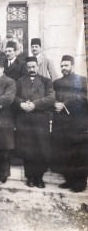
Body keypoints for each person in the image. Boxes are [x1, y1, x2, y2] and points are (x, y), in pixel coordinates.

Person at [14, 56, 55, 188]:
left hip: (40, 120)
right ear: (26, 68)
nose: (31, 69)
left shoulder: (46, 81)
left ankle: (39, 177)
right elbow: (13, 97)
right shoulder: (19, 81)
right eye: (29, 67)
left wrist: (34, 105)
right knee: (28, 149)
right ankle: (30, 177)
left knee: (41, 149)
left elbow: (51, 98)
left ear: (37, 66)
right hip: (24, 120)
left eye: (34, 67)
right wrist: (21, 104)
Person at [52, 55, 88, 192]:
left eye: (66, 65)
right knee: (65, 152)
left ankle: (80, 183)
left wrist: (65, 104)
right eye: (61, 66)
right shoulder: (57, 82)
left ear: (72, 65)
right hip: (61, 123)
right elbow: (52, 97)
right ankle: (69, 180)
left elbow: (84, 97)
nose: (63, 68)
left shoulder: (83, 80)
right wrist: (55, 103)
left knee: (78, 153)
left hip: (77, 123)